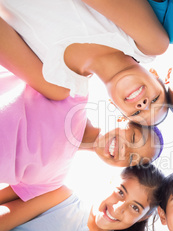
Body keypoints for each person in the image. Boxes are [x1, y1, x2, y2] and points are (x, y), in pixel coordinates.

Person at [0, 70, 163, 210]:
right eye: (133, 138)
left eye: (133, 158)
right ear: (122, 119)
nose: (125, 150)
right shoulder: (73, 96)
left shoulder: (53, 180)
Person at [0, 0, 170, 126]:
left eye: (137, 112)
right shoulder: (151, 43)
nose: (144, 104)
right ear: (155, 76)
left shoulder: (57, 82)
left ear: (114, 105)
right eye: (155, 99)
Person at [0, 164, 165, 231]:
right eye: (120, 192)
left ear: (142, 218)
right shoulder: (62, 198)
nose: (118, 207)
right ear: (109, 181)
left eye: (135, 207)